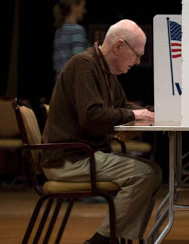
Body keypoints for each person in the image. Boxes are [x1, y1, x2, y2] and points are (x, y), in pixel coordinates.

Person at [41, 19, 161, 244]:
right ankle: (102, 240)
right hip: (68, 159)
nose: (137, 62)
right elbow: (92, 116)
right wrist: (136, 116)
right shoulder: (84, 65)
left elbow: (123, 108)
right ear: (119, 46)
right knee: (146, 174)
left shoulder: (105, 71)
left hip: (84, 154)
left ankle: (116, 236)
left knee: (153, 171)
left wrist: (157, 112)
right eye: (136, 55)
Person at [52, 0, 89, 82]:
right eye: (83, 7)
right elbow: (80, 62)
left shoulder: (58, 31)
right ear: (74, 7)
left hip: (59, 84)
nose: (84, 11)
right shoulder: (77, 30)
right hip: (73, 84)